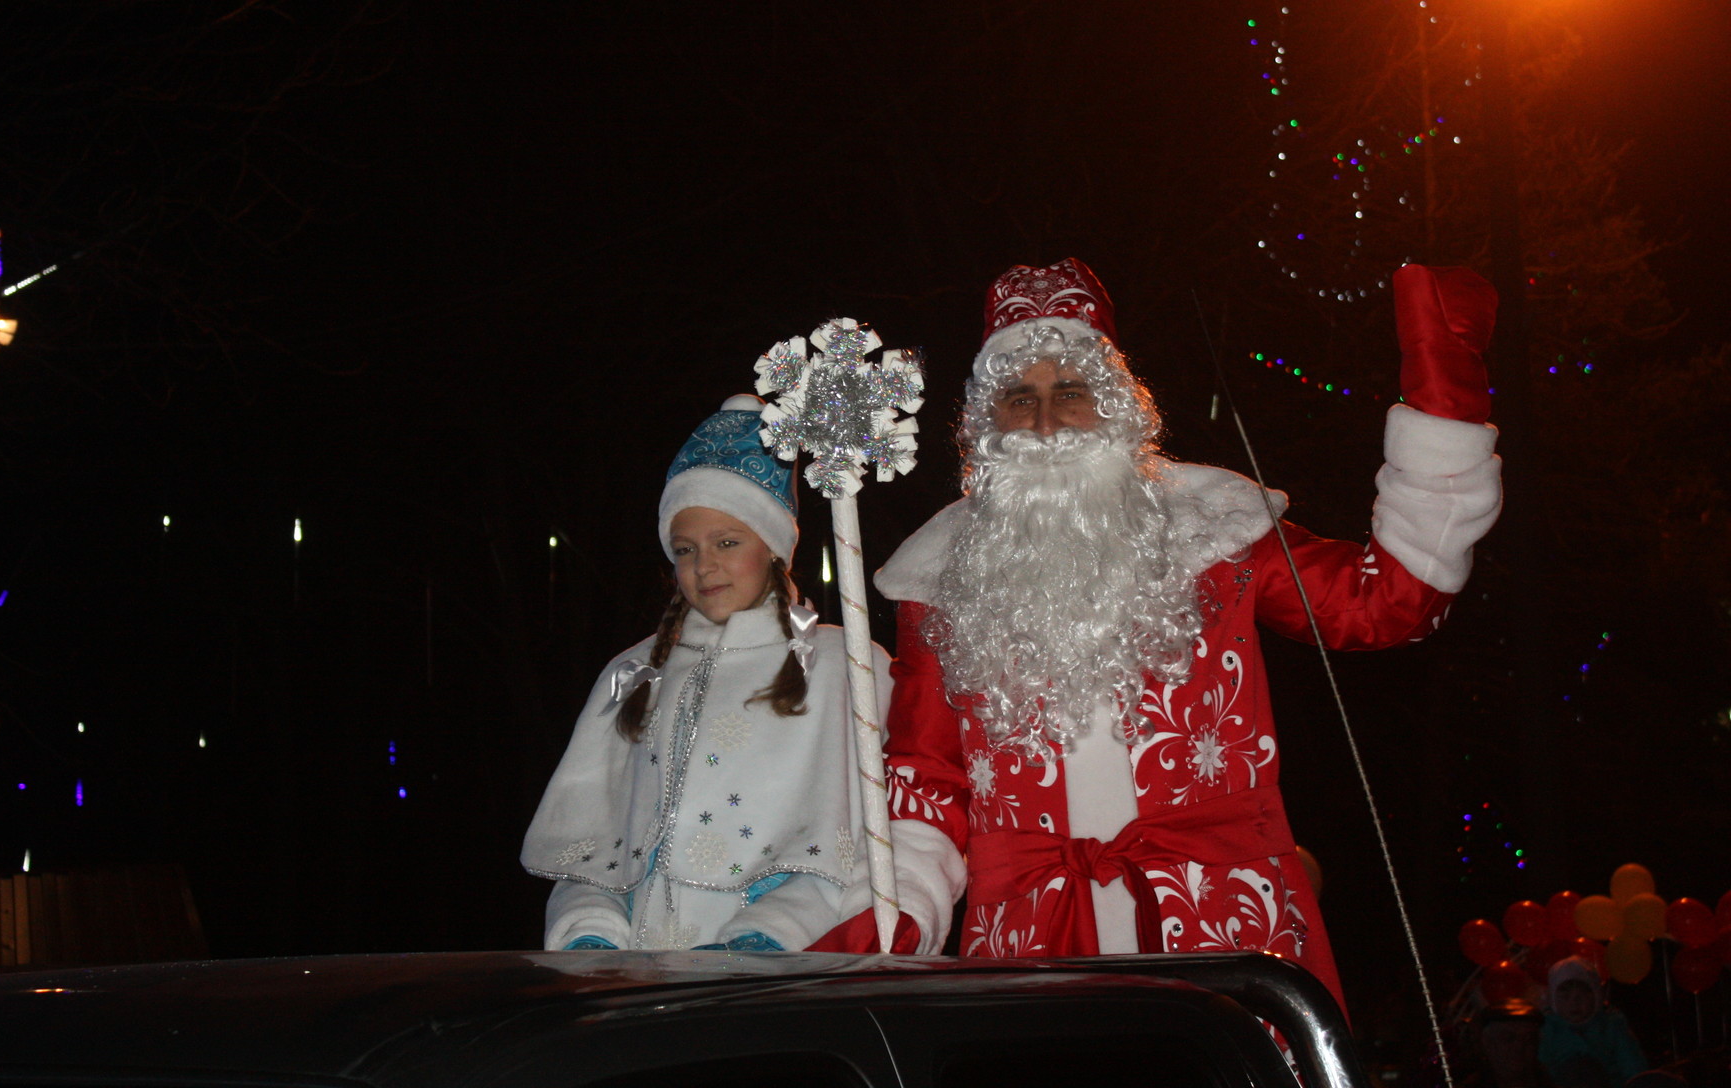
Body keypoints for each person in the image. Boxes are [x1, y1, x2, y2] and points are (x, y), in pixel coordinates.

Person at [819, 257, 1501, 1006]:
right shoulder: (939, 582)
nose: (1045, 424)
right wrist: (879, 931)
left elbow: (1388, 602)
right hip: (1032, 949)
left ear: (1114, 406)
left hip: (1223, 933)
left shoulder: (1217, 531)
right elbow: (925, 787)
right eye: (1020, 398)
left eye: (1070, 393)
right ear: (988, 423)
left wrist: (1443, 376)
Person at [522, 394, 892, 951]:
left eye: (727, 542)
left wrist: (772, 935)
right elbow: (591, 852)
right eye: (685, 548)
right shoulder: (633, 672)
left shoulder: (845, 666)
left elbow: (860, 850)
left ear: (771, 547)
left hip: (772, 978)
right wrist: (589, 930)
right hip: (641, 971)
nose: (704, 565)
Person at [1539, 957, 1650, 1088]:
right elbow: (1540, 1071)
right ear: (1553, 999)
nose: (1574, 1003)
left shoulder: (1612, 1026)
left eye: (1582, 995)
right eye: (1565, 997)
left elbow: (1632, 1067)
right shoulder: (1547, 1030)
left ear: (1596, 995)